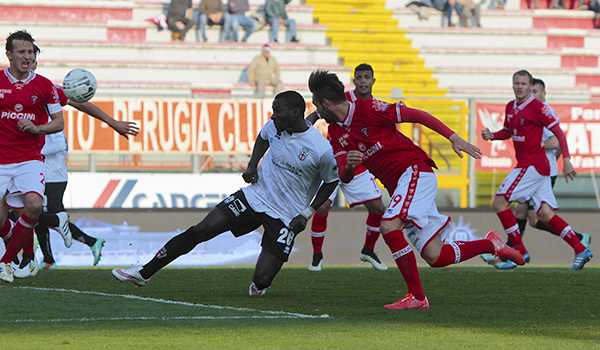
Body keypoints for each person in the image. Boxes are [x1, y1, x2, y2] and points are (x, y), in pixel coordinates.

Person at [308, 69, 524, 309]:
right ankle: (491, 244)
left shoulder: (368, 109)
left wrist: (452, 136)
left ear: (326, 103)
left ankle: (417, 297)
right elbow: (344, 177)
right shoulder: (336, 133)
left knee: (389, 226)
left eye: (317, 105)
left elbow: (417, 115)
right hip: (403, 185)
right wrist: (350, 164)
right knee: (436, 256)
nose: (316, 111)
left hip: (414, 172)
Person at [112, 91, 339, 295]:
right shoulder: (275, 126)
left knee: (261, 279)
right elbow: (262, 137)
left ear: (296, 112)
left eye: (277, 111)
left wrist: (307, 213)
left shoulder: (321, 149)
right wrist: (252, 165)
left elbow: (331, 181)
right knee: (201, 229)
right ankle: (144, 272)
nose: (273, 116)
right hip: (254, 196)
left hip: (285, 215)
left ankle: (260, 286)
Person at [27, 47, 140, 270]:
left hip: (48, 172)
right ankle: (35, 258)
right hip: (25, 164)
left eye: (32, 59)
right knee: (26, 213)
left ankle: (35, 258)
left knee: (29, 212)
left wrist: (111, 122)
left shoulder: (47, 94)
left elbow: (76, 108)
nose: (29, 62)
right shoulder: (8, 87)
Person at [482, 70, 593, 271]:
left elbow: (559, 133)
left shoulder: (539, 108)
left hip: (532, 165)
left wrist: (567, 160)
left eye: (523, 83)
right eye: (516, 83)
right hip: (535, 167)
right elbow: (508, 131)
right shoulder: (510, 107)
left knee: (499, 203)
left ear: (530, 85)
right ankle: (580, 248)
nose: (519, 87)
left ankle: (520, 250)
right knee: (543, 214)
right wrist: (493, 135)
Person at [306, 64, 387, 272]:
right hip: (334, 160)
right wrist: (308, 124)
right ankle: (317, 256)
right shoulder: (343, 99)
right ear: (354, 80)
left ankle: (368, 250)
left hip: (357, 163)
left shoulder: (376, 106)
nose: (362, 81)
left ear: (373, 81)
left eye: (366, 77)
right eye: (359, 77)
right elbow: (316, 115)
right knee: (322, 207)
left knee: (378, 208)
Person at [0, 30, 65, 283]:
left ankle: (6, 261)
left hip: (29, 158)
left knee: (35, 206)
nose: (27, 57)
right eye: (21, 52)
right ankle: (21, 247)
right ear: (9, 55)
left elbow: (58, 122)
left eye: (31, 52)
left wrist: (37, 128)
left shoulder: (45, 85)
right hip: (1, 160)